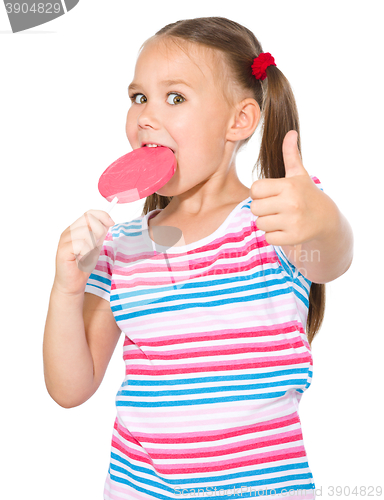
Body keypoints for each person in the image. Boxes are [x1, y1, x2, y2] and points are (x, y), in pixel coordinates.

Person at [43, 16, 354, 500]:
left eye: (175, 98)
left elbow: (331, 259)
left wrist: (324, 221)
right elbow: (70, 388)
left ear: (239, 121)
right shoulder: (121, 246)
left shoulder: (276, 216)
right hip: (138, 489)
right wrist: (65, 290)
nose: (145, 115)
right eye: (138, 97)